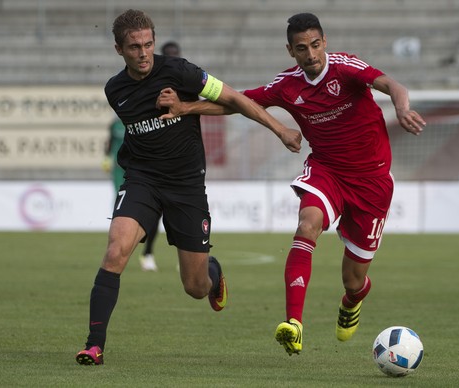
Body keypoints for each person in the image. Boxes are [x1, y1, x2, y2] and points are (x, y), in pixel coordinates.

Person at [156, 12, 426, 356]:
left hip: (372, 182)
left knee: (353, 280)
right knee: (306, 225)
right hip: (327, 171)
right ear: (291, 51)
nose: (311, 54)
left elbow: (393, 86)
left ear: (324, 42)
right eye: (302, 48)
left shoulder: (345, 68)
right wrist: (185, 106)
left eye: (315, 45)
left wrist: (402, 108)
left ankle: (351, 301)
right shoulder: (287, 85)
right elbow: (238, 103)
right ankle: (294, 324)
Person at [75, 9, 302, 366]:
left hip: (185, 186)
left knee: (196, 288)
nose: (144, 53)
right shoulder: (114, 90)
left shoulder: (179, 71)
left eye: (148, 44)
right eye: (135, 47)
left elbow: (235, 99)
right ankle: (94, 344)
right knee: (116, 250)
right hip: (143, 180)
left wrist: (280, 129)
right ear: (119, 49)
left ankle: (214, 271)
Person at [101, 41, 183, 272]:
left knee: (179, 217)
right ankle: (146, 253)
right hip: (136, 170)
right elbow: (112, 140)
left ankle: (185, 259)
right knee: (150, 216)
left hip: (178, 167)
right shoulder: (130, 107)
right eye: (170, 55)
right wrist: (107, 158)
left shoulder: (183, 83)